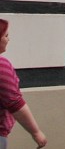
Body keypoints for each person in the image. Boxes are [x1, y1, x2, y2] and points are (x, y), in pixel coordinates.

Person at [0, 20, 46, 148]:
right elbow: (14, 103)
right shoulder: (1, 65)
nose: (8, 39)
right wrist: (36, 132)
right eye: (6, 36)